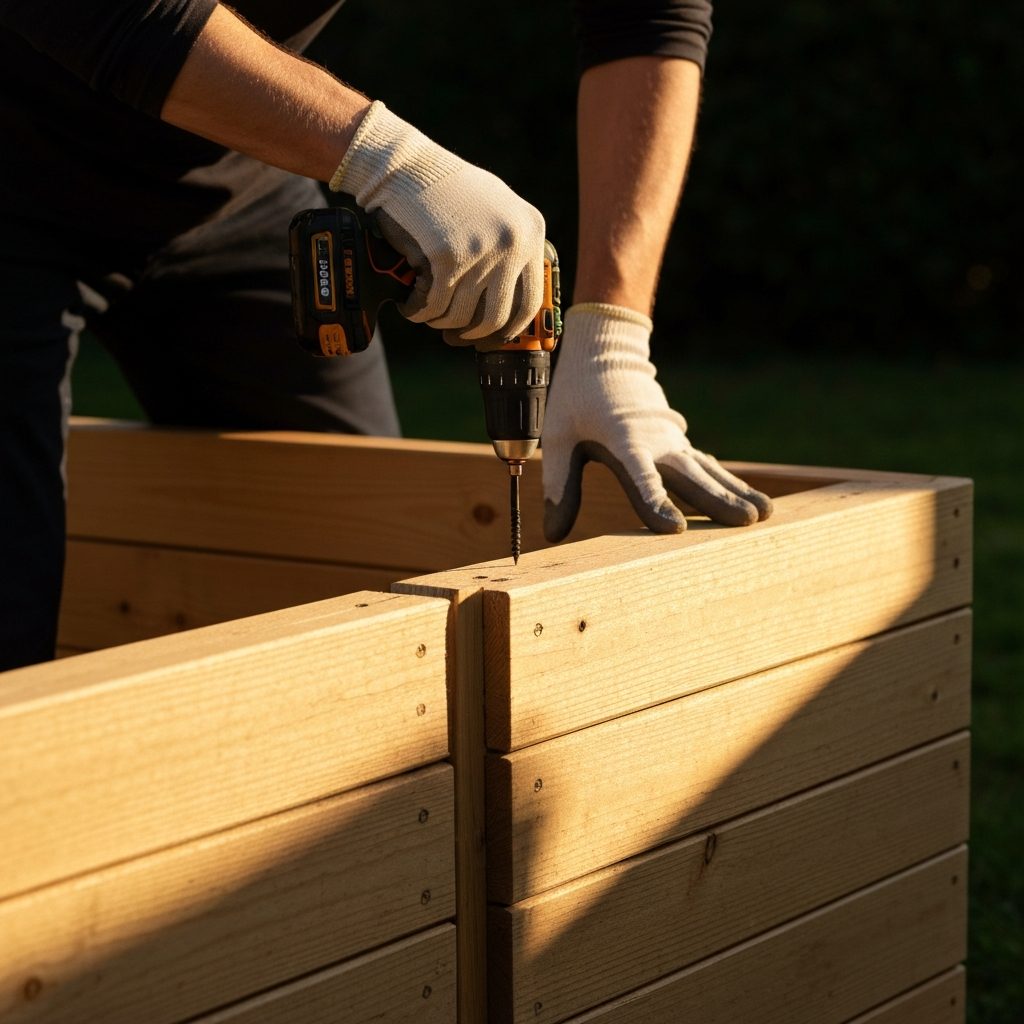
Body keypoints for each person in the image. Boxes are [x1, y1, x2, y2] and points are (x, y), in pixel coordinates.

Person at [0, 0, 772, 672]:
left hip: (229, 177)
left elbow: (646, 16)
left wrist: (613, 336)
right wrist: (388, 160)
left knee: (358, 600)